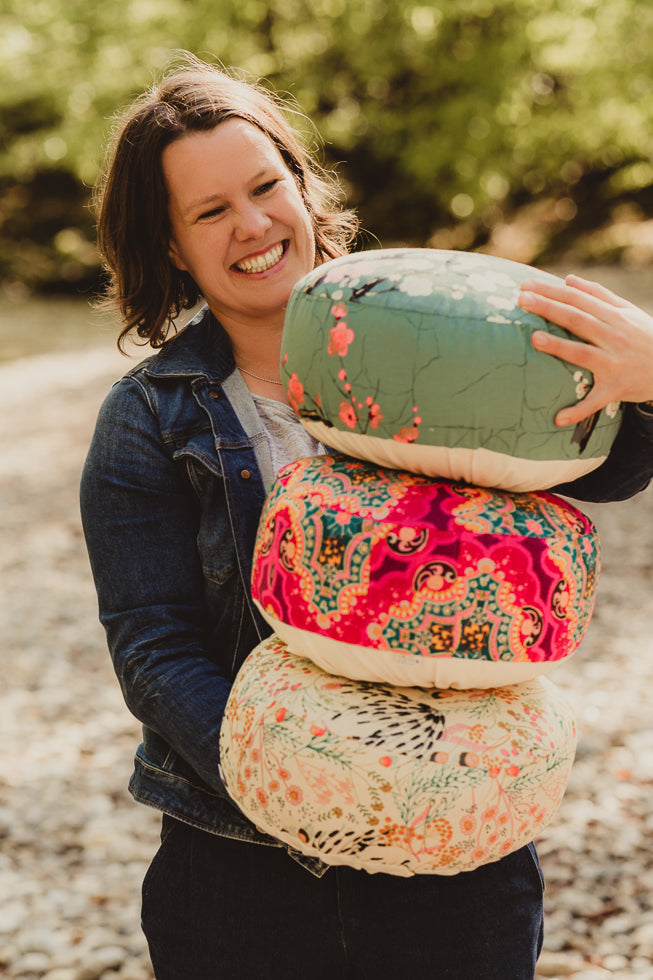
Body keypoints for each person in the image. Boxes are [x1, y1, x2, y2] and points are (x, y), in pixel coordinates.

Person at [80, 52, 653, 980]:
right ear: (171, 246)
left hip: (455, 866)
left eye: (266, 187)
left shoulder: (447, 338)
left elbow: (611, 468)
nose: (254, 224)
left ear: (302, 189)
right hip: (239, 869)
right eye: (210, 211)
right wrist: (322, 787)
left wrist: (645, 373)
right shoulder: (149, 418)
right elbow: (152, 646)